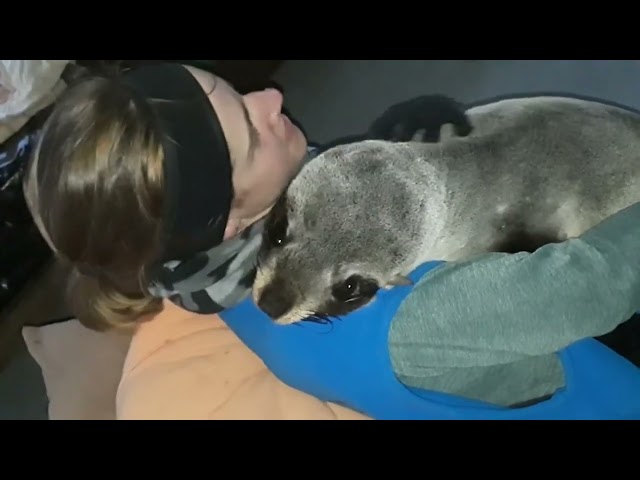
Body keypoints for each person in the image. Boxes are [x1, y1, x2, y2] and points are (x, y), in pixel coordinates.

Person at [24, 61, 640, 419]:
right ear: (231, 223)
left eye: (240, 93)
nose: (273, 98)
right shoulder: (406, 321)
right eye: (251, 130)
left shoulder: (219, 260)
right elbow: (601, 281)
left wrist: (387, 147)